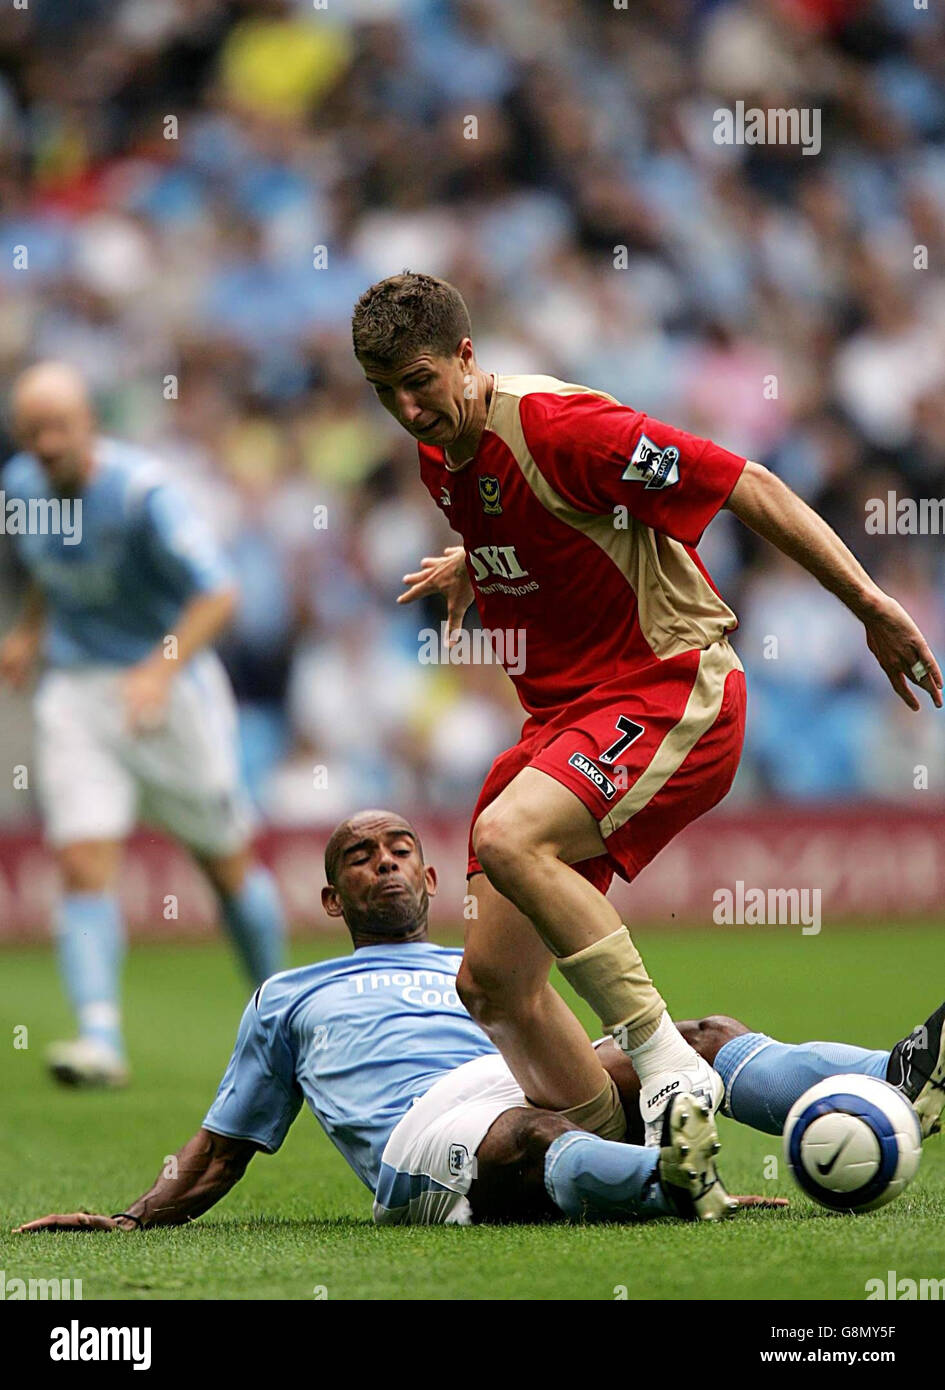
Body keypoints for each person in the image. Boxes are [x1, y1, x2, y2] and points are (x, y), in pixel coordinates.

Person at [351, 271, 943, 1147]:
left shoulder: (564, 429)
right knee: (492, 985)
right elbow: (553, 527)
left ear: (466, 357)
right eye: (384, 393)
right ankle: (628, 1163)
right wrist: (474, 563)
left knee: (511, 835)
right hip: (564, 717)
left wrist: (869, 606)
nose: (405, 408)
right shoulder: (438, 449)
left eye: (420, 383)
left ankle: (667, 1070)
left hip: (672, 685)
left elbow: (748, 484)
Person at [15, 810, 944, 1234]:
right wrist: (131, 1221)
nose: (382, 865)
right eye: (358, 858)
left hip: (521, 1076)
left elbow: (543, 1031)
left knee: (694, 1038)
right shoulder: (289, 994)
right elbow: (221, 1150)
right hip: (430, 1136)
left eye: (399, 852)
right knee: (528, 1136)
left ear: (431, 881)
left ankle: (889, 1074)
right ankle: (668, 1184)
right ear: (331, 897)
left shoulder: (478, 969)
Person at [0, 362, 286, 1088]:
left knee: (224, 861)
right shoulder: (22, 489)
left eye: (58, 426)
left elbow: (219, 593)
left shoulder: (142, 494)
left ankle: (282, 1010)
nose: (45, 442)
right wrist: (31, 633)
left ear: (90, 423)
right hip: (77, 692)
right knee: (80, 860)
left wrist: (159, 670)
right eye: (31, 431)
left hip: (169, 689)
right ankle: (99, 1035)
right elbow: (44, 566)